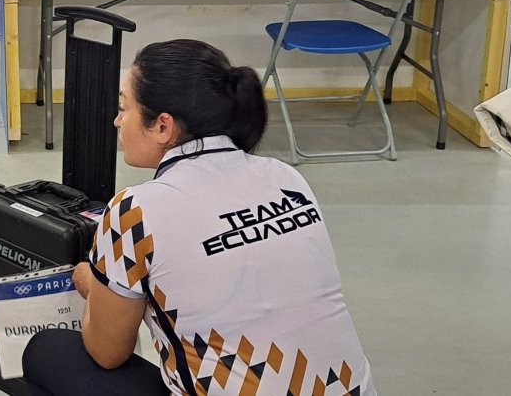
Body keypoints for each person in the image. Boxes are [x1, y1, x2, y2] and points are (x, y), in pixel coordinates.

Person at [23, 40, 375, 396]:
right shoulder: (285, 177)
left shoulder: (136, 211)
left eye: (123, 108)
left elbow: (108, 353)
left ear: (163, 126)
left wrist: (90, 283)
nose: (117, 121)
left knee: (48, 350)